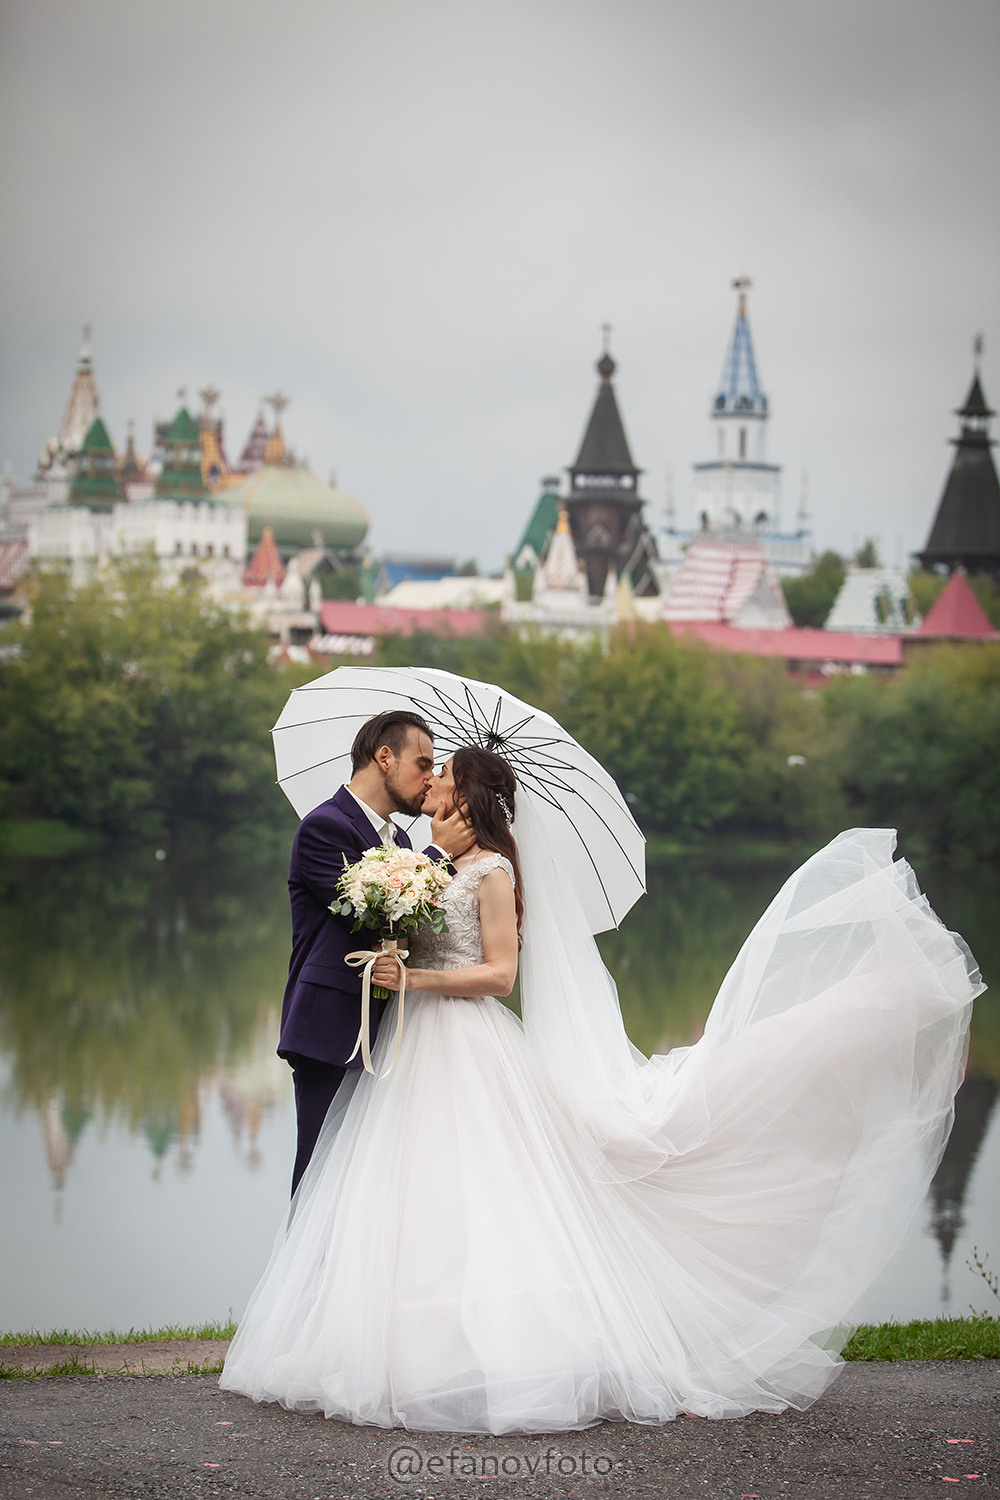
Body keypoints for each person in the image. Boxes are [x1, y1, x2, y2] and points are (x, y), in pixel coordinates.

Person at [222, 745, 981, 1434]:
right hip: (412, 1041)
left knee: (479, 1192)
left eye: (443, 772)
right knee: (406, 1190)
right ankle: (396, 1345)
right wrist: (402, 924)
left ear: (468, 794)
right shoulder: (433, 862)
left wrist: (413, 975)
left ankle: (489, 1349)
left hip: (464, 1041)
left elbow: (500, 975)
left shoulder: (492, 871)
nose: (433, 780)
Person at [278, 710, 473, 1195]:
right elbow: (370, 914)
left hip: (391, 1033)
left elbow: (408, 931)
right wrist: (438, 855)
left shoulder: (401, 840)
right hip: (330, 1027)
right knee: (319, 1179)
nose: (429, 779)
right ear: (385, 757)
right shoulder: (324, 826)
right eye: (422, 764)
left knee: (367, 1190)